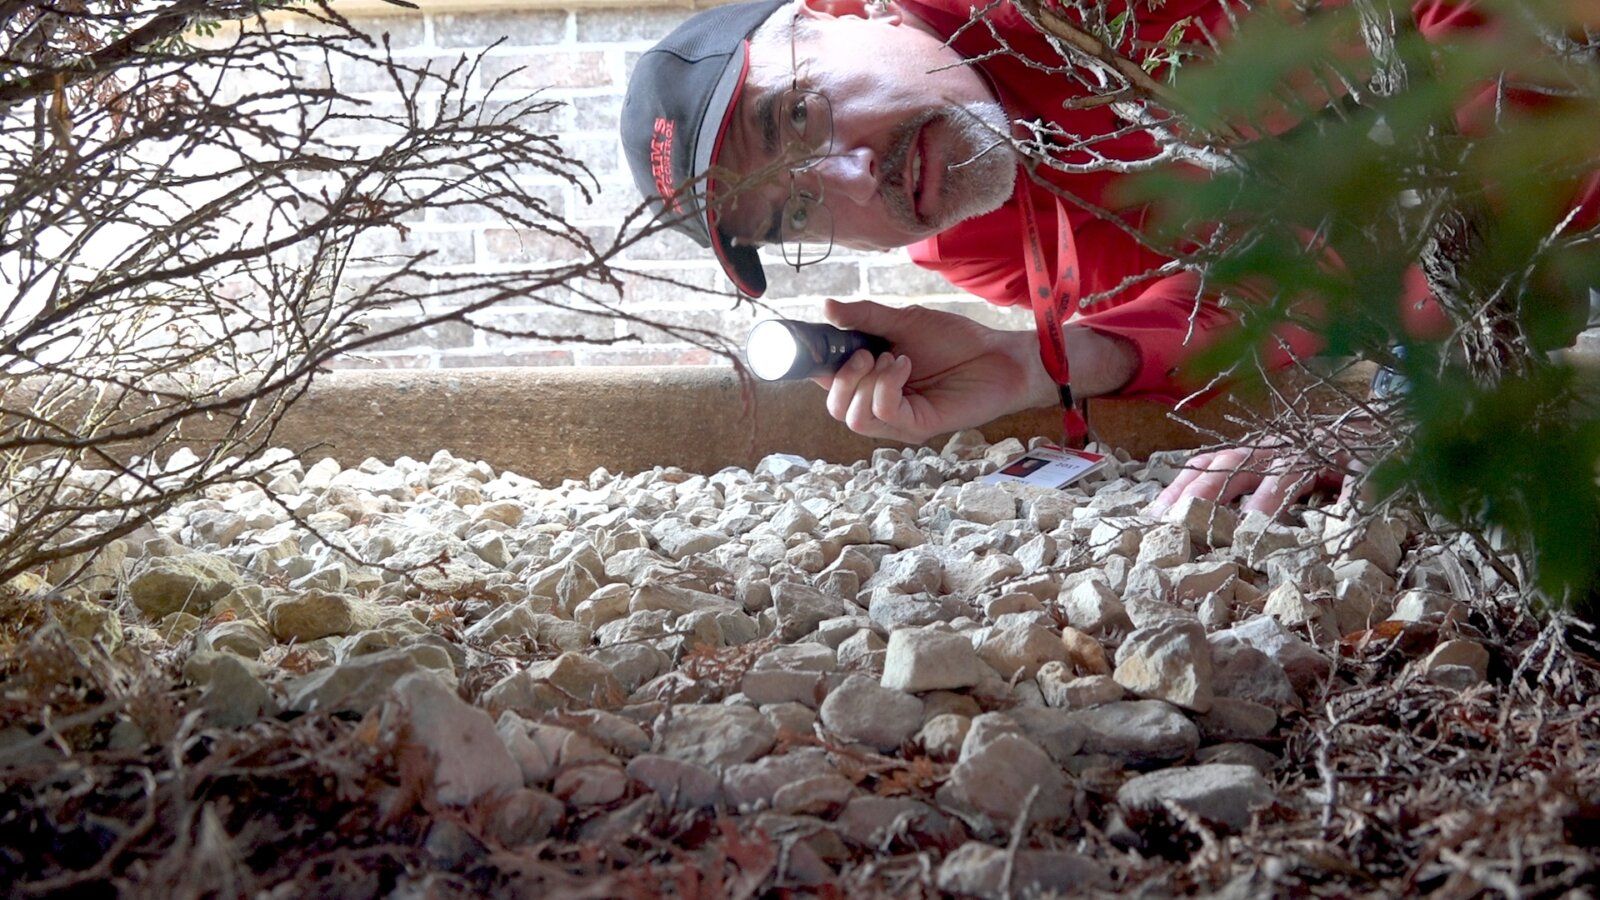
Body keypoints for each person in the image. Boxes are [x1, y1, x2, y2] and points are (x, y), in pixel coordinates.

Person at [619, 0, 1599, 515]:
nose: (851, 174)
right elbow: (1272, 276)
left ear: (843, 11)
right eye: (796, 208)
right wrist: (1031, 362)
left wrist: (1417, 386)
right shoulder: (972, 226)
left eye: (800, 113)